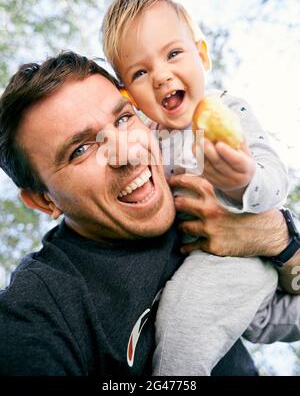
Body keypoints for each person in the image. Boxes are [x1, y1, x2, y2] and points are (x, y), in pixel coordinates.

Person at [0, 52, 297, 376]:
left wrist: (278, 238)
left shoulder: (195, 190)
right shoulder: (39, 311)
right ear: (44, 201)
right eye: (81, 150)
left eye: (124, 119)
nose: (127, 153)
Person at [101, 0, 300, 375]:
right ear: (130, 96)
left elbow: (277, 182)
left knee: (182, 319)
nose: (160, 75)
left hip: (234, 261)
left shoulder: (226, 108)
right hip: (225, 278)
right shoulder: (149, 136)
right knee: (256, 327)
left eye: (173, 54)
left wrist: (245, 180)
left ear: (202, 56)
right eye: (140, 73)